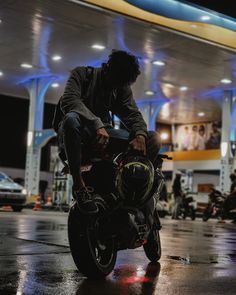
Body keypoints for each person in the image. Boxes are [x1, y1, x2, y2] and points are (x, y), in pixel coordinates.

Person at [52, 50, 161, 214]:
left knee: (153, 138)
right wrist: (96, 123)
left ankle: (136, 194)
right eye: (116, 81)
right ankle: (79, 186)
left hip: (106, 137)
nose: (116, 87)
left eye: (122, 84)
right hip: (77, 136)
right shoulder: (81, 75)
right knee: (71, 119)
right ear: (107, 68)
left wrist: (140, 135)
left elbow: (132, 114)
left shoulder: (121, 87)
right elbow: (69, 100)